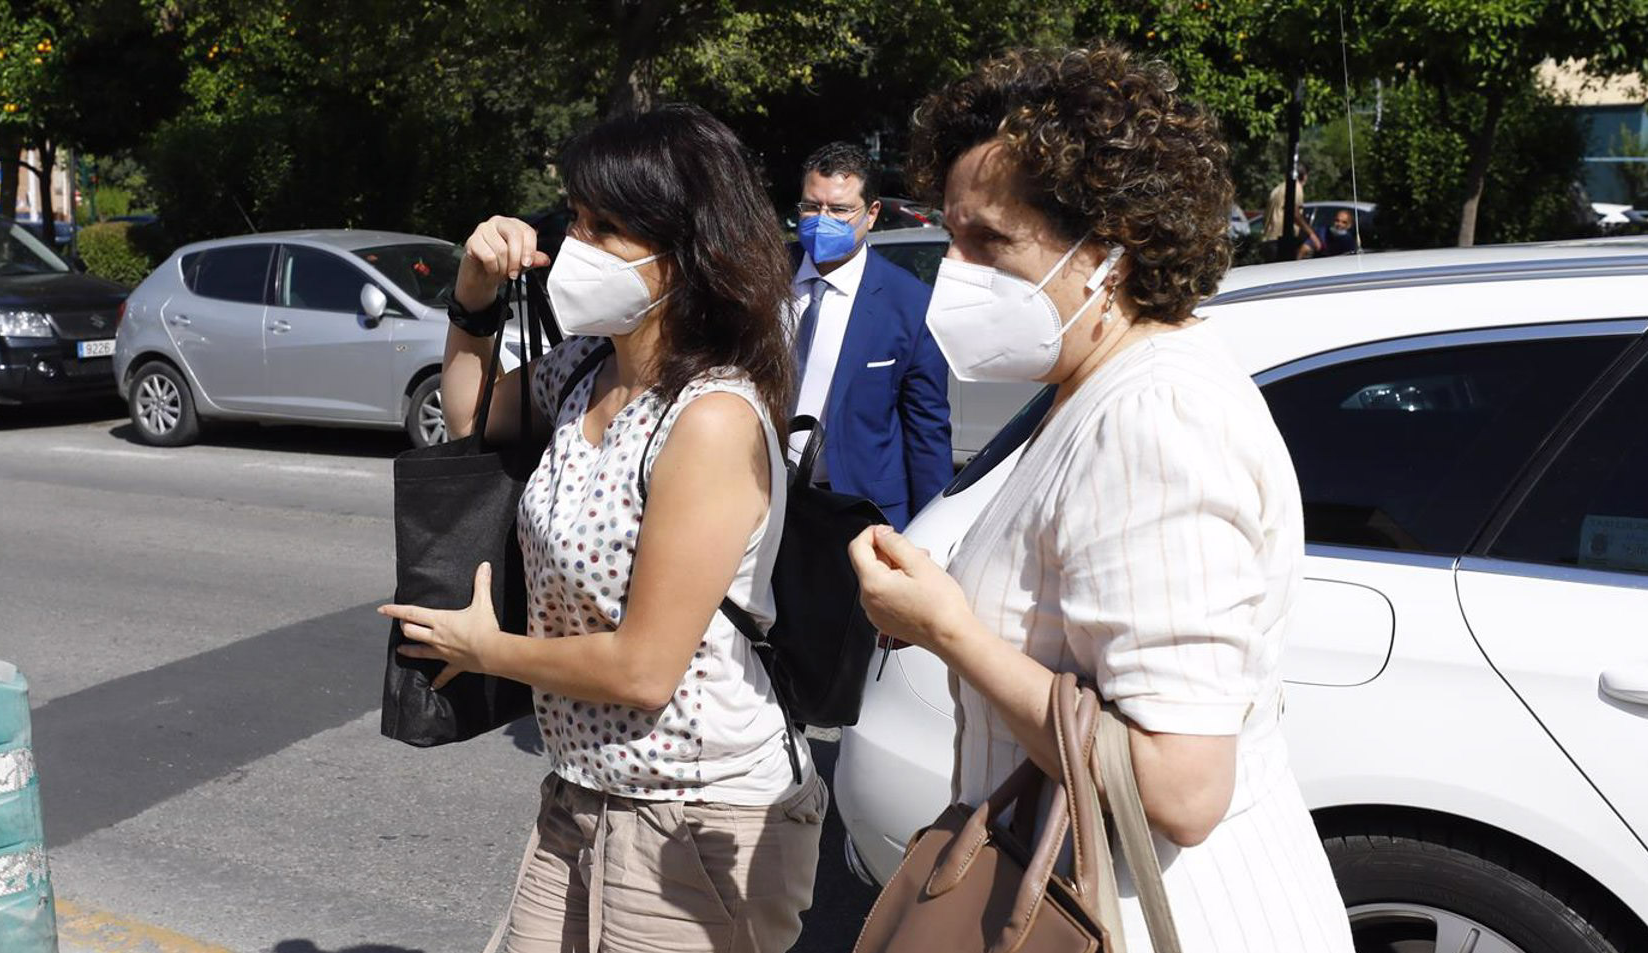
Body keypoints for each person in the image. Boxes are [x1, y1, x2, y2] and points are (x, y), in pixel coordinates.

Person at [848, 46, 1355, 952]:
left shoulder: (1153, 416)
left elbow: (1178, 788)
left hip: (1150, 915)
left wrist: (948, 630)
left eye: (988, 241)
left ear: (1110, 251)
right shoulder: (1102, 381)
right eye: (951, 236)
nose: (952, 270)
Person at [378, 104, 823, 953]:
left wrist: (486, 650)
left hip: (694, 812)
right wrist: (472, 297)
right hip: (584, 788)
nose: (574, 245)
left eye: (605, 227)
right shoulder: (584, 369)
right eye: (575, 218)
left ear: (686, 253)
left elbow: (643, 668)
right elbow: (468, 420)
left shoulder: (710, 417)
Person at [790, 142, 953, 529]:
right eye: (812, 207)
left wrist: (933, 530)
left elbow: (926, 430)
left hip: (858, 512)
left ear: (872, 213)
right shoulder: (762, 278)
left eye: (839, 210)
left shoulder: (909, 303)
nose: (822, 220)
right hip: (761, 501)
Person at [1263, 162, 1314, 262]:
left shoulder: (1277, 189)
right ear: (1304, 176)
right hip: (1281, 241)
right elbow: (1294, 213)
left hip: (1269, 239)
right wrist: (1311, 234)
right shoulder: (1296, 187)